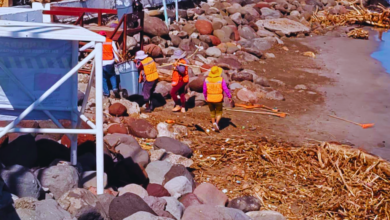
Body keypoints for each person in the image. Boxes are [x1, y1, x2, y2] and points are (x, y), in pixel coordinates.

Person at [79, 31, 120, 98]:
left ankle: (106, 93)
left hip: (101, 63)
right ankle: (115, 88)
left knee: (103, 78)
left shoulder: (97, 41)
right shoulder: (110, 41)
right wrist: (117, 59)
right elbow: (115, 51)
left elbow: (87, 45)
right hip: (110, 62)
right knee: (112, 75)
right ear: (105, 35)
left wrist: (80, 49)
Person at [203, 66, 232, 132]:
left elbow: (204, 90)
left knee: (212, 112)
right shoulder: (221, 79)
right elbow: (225, 89)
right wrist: (229, 96)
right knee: (219, 112)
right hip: (218, 98)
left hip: (209, 98)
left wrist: (205, 97)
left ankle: (213, 124)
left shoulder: (206, 79)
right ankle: (216, 123)